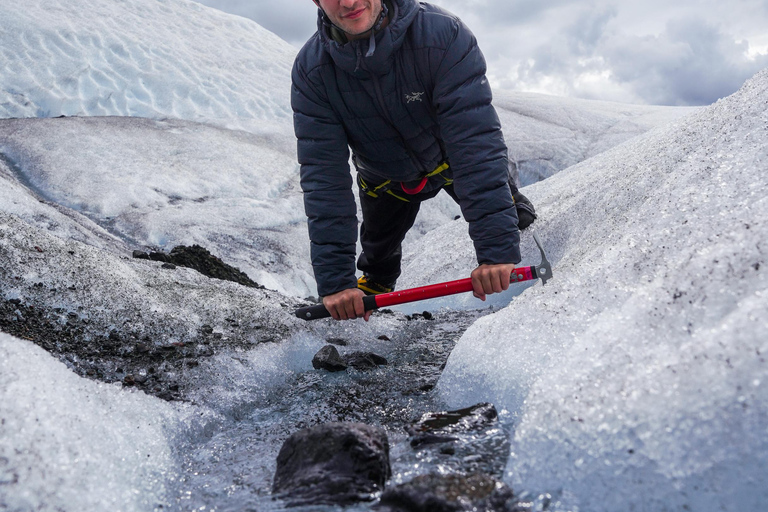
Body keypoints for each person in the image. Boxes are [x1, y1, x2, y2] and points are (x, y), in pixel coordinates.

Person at [292, 0, 537, 321]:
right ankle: (377, 284)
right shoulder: (313, 72)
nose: (349, 2)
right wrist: (336, 282)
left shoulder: (442, 36)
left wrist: (496, 252)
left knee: (516, 218)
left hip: (451, 162)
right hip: (384, 181)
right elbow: (324, 177)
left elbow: (474, 145)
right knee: (378, 261)